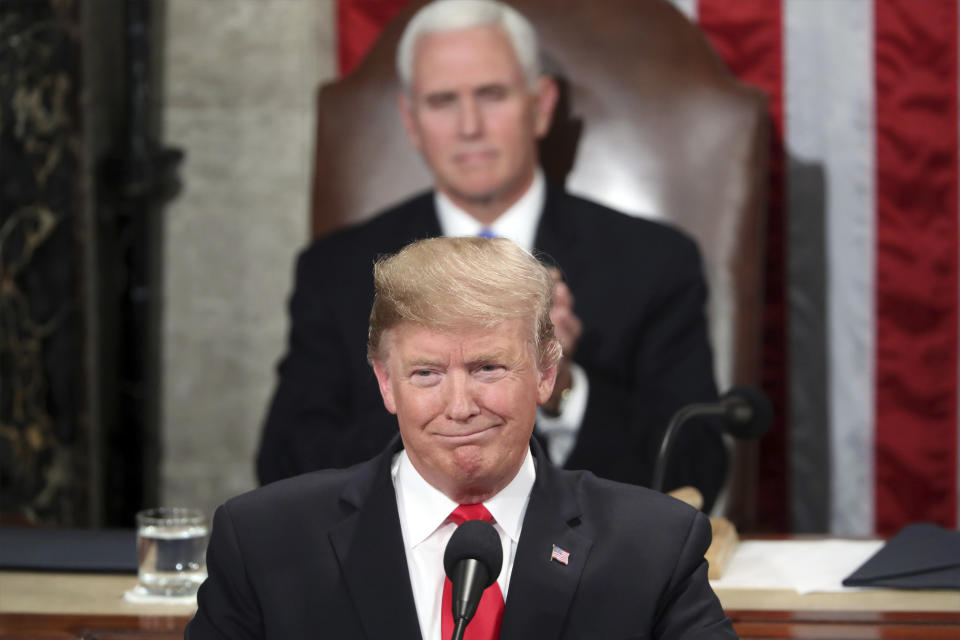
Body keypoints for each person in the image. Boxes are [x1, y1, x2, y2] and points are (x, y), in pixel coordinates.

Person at [257, 0, 727, 510]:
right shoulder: (338, 270)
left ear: (541, 105)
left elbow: (695, 471)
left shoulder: (652, 262)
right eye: (442, 102)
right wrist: (429, 387)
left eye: (491, 95)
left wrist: (562, 387)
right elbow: (286, 466)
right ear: (411, 121)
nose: (469, 126)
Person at [187, 237, 736, 639]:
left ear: (546, 371)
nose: (459, 406)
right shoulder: (264, 542)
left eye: (488, 368)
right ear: (385, 382)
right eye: (426, 373)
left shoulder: (655, 546)